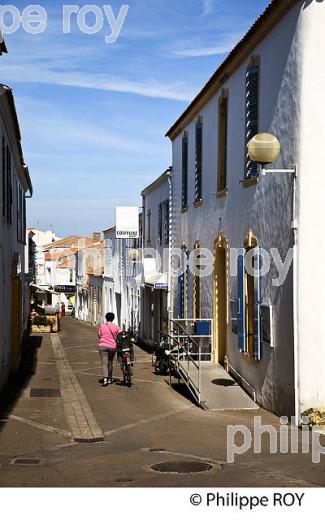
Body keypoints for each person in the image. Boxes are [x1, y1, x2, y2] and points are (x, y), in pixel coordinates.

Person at [98, 312, 121, 386]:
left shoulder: (102, 326)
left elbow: (99, 335)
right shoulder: (116, 327)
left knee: (105, 363)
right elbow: (120, 335)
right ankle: (110, 379)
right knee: (110, 362)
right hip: (112, 347)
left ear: (106, 318)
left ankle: (105, 379)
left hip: (103, 346)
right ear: (113, 318)